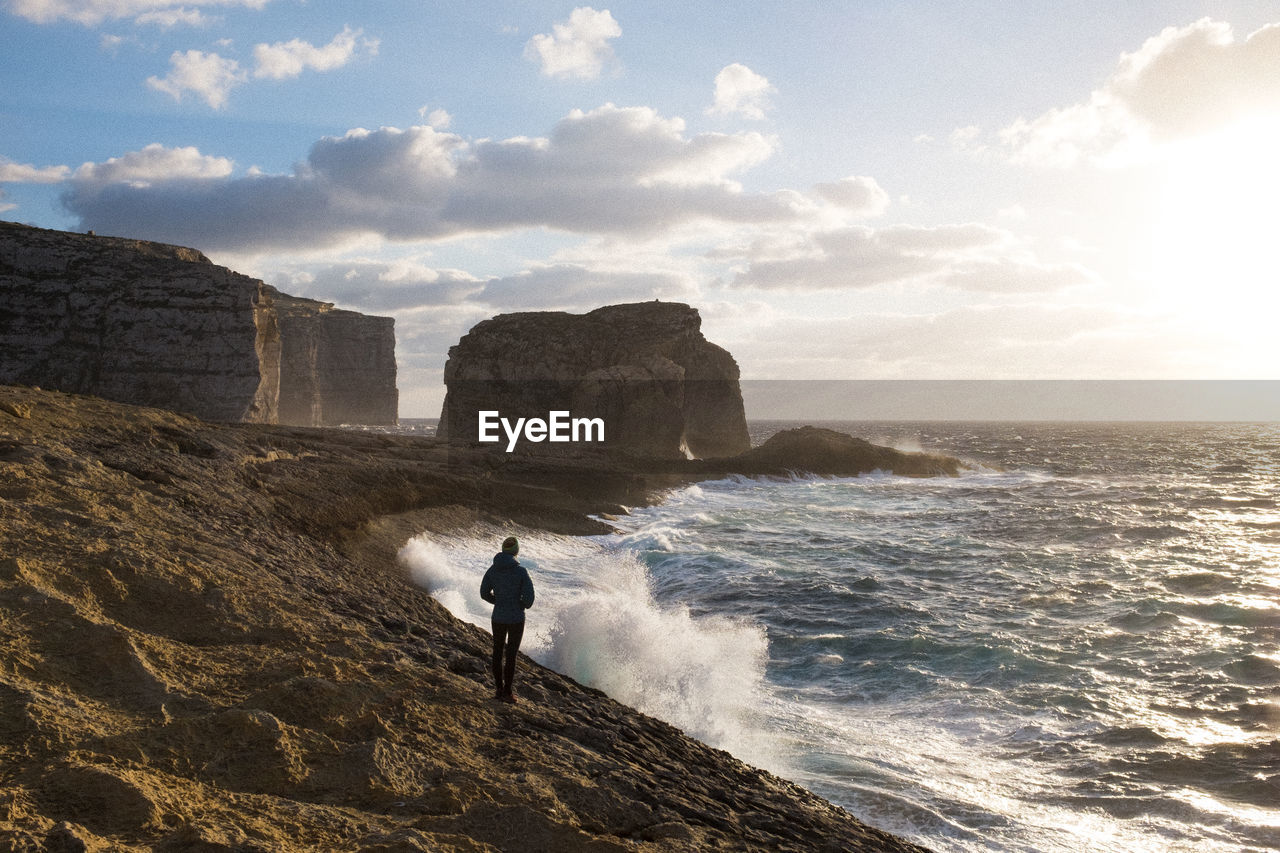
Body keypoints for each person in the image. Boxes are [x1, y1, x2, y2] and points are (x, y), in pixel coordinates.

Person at [479, 536, 535, 703]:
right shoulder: (521, 571)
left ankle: (498, 690)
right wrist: (520, 604)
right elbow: (529, 599)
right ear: (516, 551)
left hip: (498, 617)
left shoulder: (493, 570)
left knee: (497, 653)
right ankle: (508, 693)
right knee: (511, 655)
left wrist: (497, 601)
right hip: (516, 618)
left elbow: (483, 593)